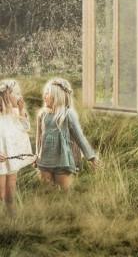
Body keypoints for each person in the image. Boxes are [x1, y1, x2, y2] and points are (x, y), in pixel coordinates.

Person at [36, 78, 100, 190]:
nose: (44, 97)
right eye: (44, 94)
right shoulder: (42, 115)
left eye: (48, 94)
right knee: (48, 191)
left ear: (57, 96)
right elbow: (39, 137)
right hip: (44, 160)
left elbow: (79, 137)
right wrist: (37, 156)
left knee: (64, 192)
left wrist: (91, 157)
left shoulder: (68, 114)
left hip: (62, 160)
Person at [0, 78, 35, 216]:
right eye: (17, 93)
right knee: (1, 195)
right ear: (6, 97)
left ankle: (12, 221)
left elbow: (26, 127)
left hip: (11, 160)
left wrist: (22, 110)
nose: (20, 97)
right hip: (1, 161)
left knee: (9, 196)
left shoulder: (14, 114)